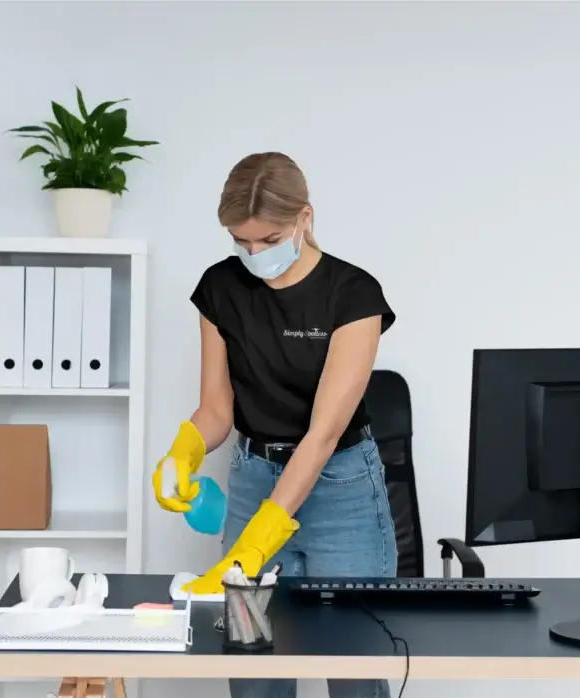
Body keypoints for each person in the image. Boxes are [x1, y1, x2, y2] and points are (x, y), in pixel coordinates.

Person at [152, 152, 397, 698]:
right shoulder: (220, 289)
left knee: (354, 669)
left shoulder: (353, 296)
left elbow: (323, 435)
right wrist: (183, 453)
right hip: (255, 475)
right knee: (253, 668)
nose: (254, 254)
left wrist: (260, 541)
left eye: (267, 239)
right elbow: (217, 409)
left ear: (304, 219)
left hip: (342, 489)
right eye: (242, 242)